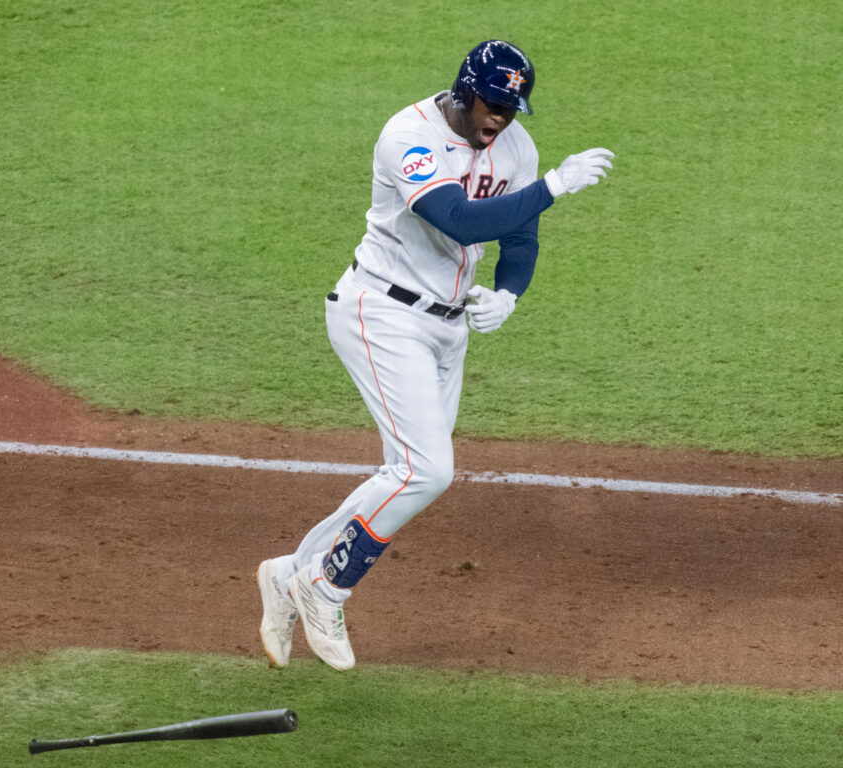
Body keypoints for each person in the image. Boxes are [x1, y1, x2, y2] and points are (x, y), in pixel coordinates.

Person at [257, 39, 614, 670]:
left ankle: (292, 571)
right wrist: (556, 184)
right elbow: (460, 220)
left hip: (449, 329)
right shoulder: (409, 136)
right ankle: (325, 586)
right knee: (428, 471)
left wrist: (509, 292)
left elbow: (517, 234)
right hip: (382, 313)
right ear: (465, 89)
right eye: (493, 103)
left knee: (405, 474)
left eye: (512, 107)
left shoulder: (516, 147)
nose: (500, 117)